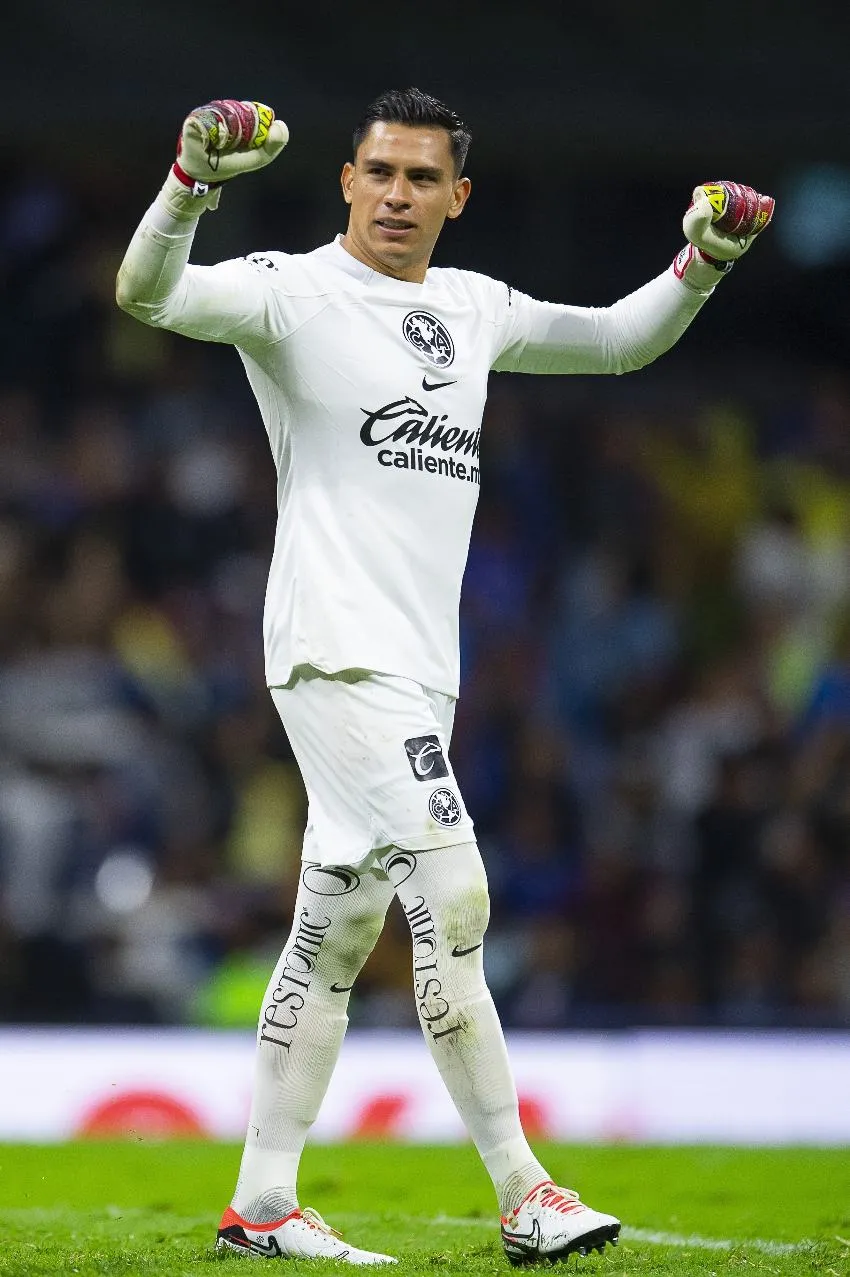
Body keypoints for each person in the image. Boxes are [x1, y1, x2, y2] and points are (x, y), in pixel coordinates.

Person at [116, 88, 773, 1266]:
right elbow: (148, 292)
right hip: (333, 647)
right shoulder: (290, 290)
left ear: (456, 197)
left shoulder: (474, 308)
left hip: (420, 668)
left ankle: (261, 1203)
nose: (398, 194)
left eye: (423, 178)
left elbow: (619, 339)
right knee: (453, 893)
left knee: (335, 927)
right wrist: (188, 184)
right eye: (380, 171)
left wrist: (703, 261)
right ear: (346, 181)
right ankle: (524, 1191)